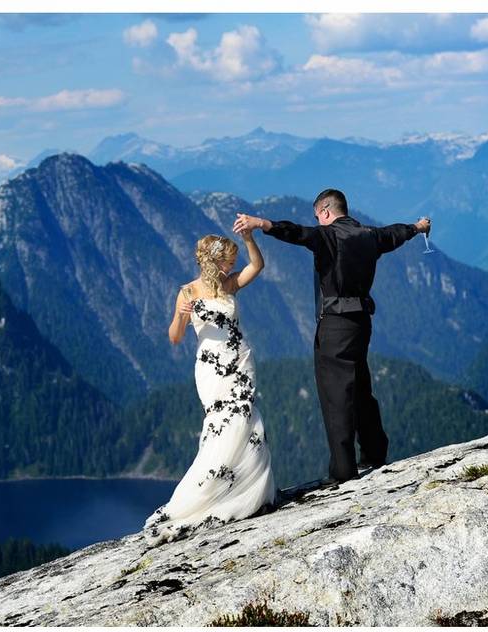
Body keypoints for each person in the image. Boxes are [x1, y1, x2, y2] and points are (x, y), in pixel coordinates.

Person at [233, 188, 430, 486]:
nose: (317, 222)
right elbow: (396, 233)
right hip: (362, 322)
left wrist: (262, 223)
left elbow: (297, 234)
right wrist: (418, 227)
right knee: (361, 385)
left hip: (335, 325)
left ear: (325, 211)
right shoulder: (370, 235)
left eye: (317, 217)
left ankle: (343, 471)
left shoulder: (328, 236)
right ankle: (375, 452)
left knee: (336, 395)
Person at [142, 229, 276, 547]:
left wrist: (248, 238)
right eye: (228, 262)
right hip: (212, 369)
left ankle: (250, 491)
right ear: (213, 262)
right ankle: (211, 494)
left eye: (232, 262)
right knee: (220, 426)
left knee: (247, 420)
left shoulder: (229, 286)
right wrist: (179, 315)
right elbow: (175, 337)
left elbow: (257, 265)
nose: (232, 267)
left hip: (240, 361)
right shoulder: (187, 292)